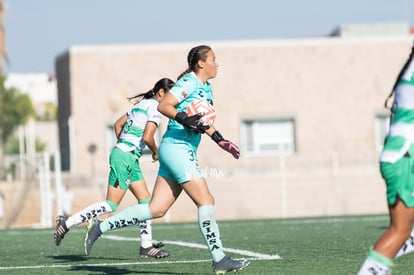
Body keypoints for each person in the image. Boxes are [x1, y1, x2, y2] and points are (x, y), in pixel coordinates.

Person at [84, 45, 250, 274]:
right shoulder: (189, 82)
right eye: (213, 59)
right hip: (178, 149)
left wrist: (220, 140)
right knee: (206, 200)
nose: (217, 63)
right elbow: (164, 105)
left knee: (156, 209)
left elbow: (201, 121)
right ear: (201, 63)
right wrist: (185, 119)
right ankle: (219, 259)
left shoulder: (206, 87)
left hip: (178, 149)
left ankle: (100, 227)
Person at [54, 78, 174, 259]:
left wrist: (124, 146)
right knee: (111, 204)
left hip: (127, 156)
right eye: (170, 95)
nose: (172, 100)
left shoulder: (140, 105)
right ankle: (67, 222)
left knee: (145, 202)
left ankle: (146, 245)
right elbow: (149, 137)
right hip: (126, 157)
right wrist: (156, 152)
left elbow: (118, 124)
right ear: (161, 93)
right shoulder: (156, 108)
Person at [357, 42, 414, 274]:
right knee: (400, 230)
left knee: (403, 230)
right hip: (405, 158)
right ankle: (381, 258)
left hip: (402, 157)